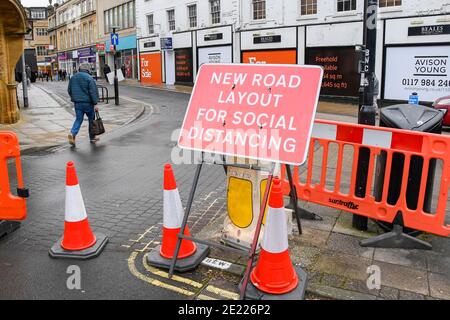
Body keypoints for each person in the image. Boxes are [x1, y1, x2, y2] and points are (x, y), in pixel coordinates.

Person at [67, 62, 100, 146]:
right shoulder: (89, 78)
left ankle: (72, 133)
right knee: (91, 120)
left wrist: (74, 98)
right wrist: (95, 103)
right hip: (88, 103)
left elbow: (69, 90)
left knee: (78, 119)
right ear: (88, 69)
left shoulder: (73, 77)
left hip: (77, 103)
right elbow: (93, 92)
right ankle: (92, 138)